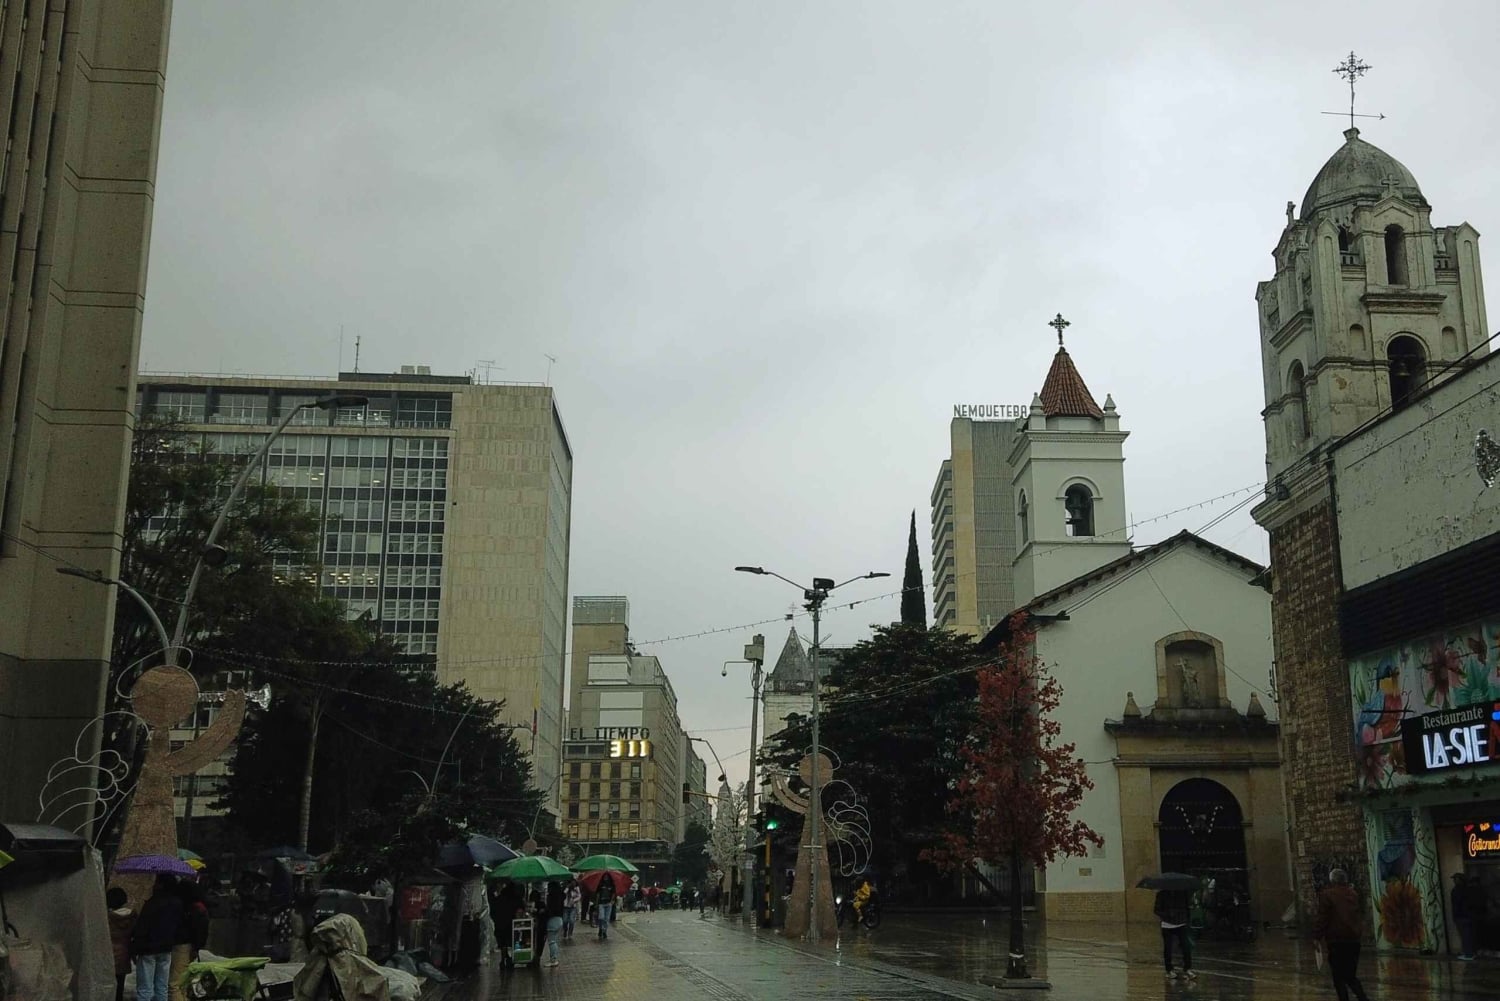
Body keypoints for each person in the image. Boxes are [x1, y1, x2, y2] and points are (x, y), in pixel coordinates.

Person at [1314, 868, 1371, 1001]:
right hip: (1354, 939)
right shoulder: (1354, 894)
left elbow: (1323, 917)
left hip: (1336, 940)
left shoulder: (1327, 895)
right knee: (1350, 975)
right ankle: (1363, 998)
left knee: (1338, 976)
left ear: (1332, 880)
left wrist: (1317, 936)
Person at [129, 876, 184, 1001]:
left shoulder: (152, 903)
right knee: (162, 986)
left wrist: (135, 947)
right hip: (166, 947)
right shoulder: (178, 903)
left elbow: (142, 927)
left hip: (148, 948)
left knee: (145, 988)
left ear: (161, 885)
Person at [170, 878, 210, 1001]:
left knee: (174, 985)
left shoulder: (189, 908)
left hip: (182, 945)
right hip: (190, 946)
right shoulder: (199, 907)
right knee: (183, 983)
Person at [1154, 888, 1194, 982]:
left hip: (1181, 923)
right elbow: (1156, 910)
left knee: (1186, 946)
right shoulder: (1161, 895)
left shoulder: (1182, 894)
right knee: (1168, 947)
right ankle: (1169, 969)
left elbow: (1186, 907)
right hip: (1167, 924)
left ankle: (1188, 968)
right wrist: (1167, 914)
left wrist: (1186, 918)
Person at [107, 887, 136, 1001]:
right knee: (120, 986)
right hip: (124, 955)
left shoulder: (108, 918)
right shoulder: (132, 917)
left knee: (109, 987)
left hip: (109, 956)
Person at [489, 881, 522, 969]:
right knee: (511, 942)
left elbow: (492, 911)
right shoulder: (516, 899)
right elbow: (520, 908)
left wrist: (496, 920)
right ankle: (509, 959)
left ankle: (503, 959)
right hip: (511, 924)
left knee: (502, 943)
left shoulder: (498, 899)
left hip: (500, 924)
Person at [1453, 872, 1477, 960]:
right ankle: (1470, 952)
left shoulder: (1457, 890)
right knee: (1468, 935)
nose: (1454, 881)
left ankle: (1468, 954)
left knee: (1465, 936)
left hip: (1461, 916)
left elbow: (1457, 904)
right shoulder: (1468, 889)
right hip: (1468, 916)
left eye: (1456, 879)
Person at [541, 882, 565, 968]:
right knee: (554, 940)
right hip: (559, 919)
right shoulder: (561, 896)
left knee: (552, 941)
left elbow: (551, 909)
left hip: (553, 920)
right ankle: (554, 958)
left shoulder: (552, 897)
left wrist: (545, 912)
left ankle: (553, 959)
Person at [594, 876, 616, 941]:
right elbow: (598, 894)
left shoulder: (612, 885)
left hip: (608, 903)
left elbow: (614, 893)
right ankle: (601, 928)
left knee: (606, 919)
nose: (606, 878)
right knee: (601, 917)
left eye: (607, 876)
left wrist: (612, 901)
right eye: (605, 876)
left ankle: (604, 932)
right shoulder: (600, 885)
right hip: (601, 903)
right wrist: (597, 903)